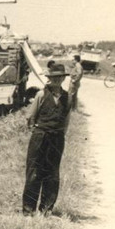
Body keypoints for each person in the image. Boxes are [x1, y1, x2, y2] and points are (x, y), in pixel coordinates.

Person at [23, 61, 71, 215]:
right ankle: (28, 210)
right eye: (53, 77)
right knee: (34, 172)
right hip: (40, 136)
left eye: (60, 77)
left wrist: (60, 134)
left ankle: (46, 209)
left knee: (52, 173)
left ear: (63, 78)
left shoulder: (68, 97)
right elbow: (30, 116)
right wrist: (36, 130)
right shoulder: (41, 95)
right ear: (49, 78)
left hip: (57, 138)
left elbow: (66, 120)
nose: (57, 80)